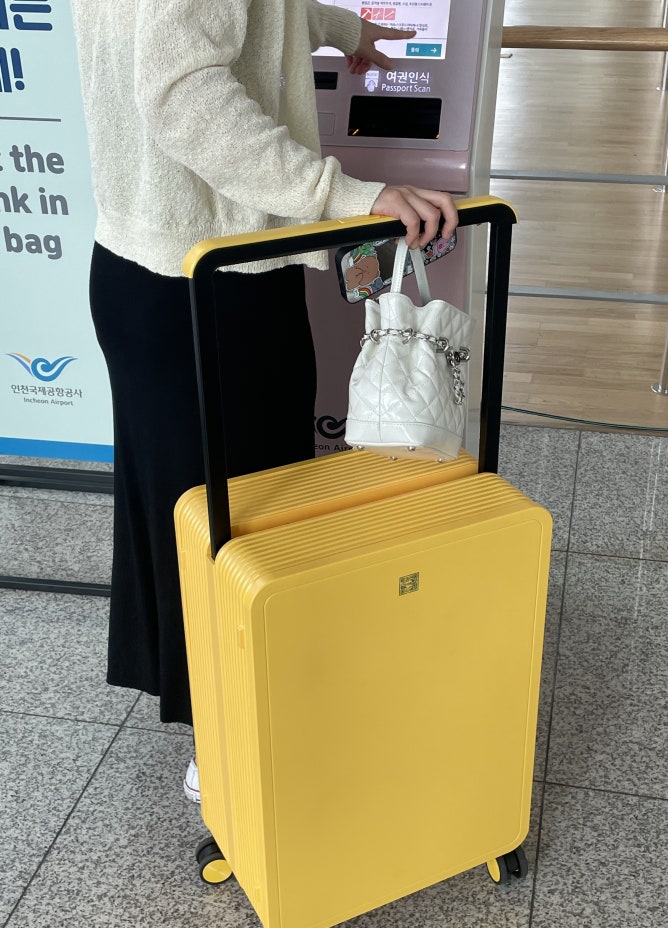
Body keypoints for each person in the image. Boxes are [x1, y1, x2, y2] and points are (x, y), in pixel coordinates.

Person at [69, 1, 458, 802]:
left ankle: (232, 717)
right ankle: (228, 749)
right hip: (212, 280)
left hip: (146, 269)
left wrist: (344, 32)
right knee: (236, 517)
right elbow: (181, 92)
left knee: (193, 509)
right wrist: (339, 194)